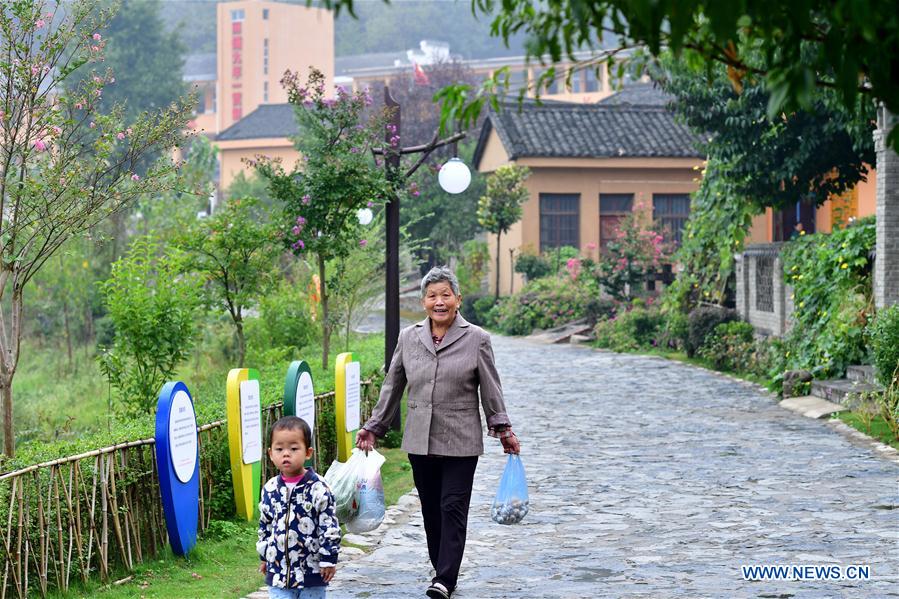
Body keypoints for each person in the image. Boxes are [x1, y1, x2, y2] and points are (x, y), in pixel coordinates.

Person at [356, 266, 521, 599]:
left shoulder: (477, 338)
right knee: (431, 508)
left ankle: (445, 578)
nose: (439, 301)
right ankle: (442, 569)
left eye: (446, 294)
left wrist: (502, 427)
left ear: (458, 300)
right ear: (423, 302)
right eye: (432, 296)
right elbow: (393, 385)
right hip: (419, 439)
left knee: (452, 507)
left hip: (460, 440)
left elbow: (491, 388)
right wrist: (375, 426)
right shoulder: (409, 337)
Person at [258, 416, 341, 598]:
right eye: (279, 449)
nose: (286, 454)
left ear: (308, 452)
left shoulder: (318, 488)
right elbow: (265, 525)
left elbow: (329, 526)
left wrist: (328, 559)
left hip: (311, 573)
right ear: (271, 454)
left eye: (294, 448)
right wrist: (265, 556)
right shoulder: (270, 489)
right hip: (278, 573)